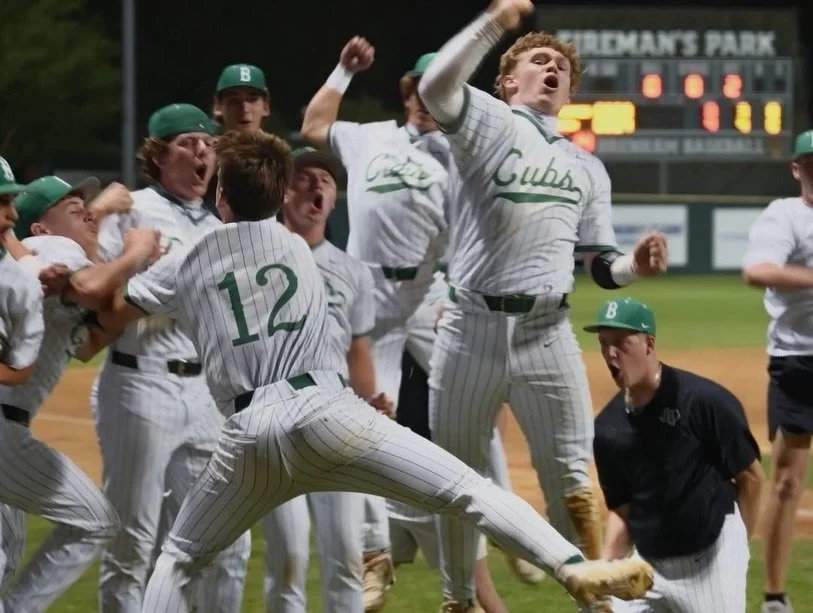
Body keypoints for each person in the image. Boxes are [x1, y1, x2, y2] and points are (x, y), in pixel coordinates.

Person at [93, 128, 655, 613]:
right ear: (282, 194)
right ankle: (572, 566)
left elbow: (111, 309)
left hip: (247, 435)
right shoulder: (301, 250)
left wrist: (126, 255)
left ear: (220, 195)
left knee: (180, 557)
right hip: (328, 414)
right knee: (467, 489)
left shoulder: (188, 259)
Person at [416, 1, 668, 610]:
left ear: (569, 92)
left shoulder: (587, 166)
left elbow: (601, 266)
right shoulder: (487, 122)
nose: (553, 69)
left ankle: (596, 603)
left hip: (547, 332)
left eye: (562, 67)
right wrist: (495, 22)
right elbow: (434, 87)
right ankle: (458, 601)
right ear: (507, 81)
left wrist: (635, 266)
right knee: (457, 480)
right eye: (539, 61)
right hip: (470, 329)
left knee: (573, 482)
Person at [299, 38, 451, 610]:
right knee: (362, 419)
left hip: (430, 290)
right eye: (421, 91)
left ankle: (503, 521)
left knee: (478, 391)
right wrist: (343, 69)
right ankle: (374, 552)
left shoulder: (465, 150)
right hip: (368, 292)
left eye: (441, 93)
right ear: (408, 94)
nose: (427, 101)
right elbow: (314, 126)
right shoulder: (372, 136)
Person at [91, 103, 250, 613]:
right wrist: (128, 255)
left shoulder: (223, 222)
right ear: (159, 156)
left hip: (207, 394)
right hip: (142, 383)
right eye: (187, 143)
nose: (202, 151)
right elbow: (96, 291)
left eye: (208, 144)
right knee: (133, 540)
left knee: (221, 540)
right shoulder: (134, 210)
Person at [0, 173, 166, 612]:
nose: (87, 215)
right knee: (93, 520)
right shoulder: (54, 246)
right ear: (40, 227)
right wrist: (136, 253)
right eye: (74, 210)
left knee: (7, 553)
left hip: (9, 425)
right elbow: (90, 288)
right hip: (4, 428)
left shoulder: (38, 257)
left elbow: (91, 340)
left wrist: (134, 275)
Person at [261, 146, 386, 613]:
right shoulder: (256, 257)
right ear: (282, 191)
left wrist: (370, 405)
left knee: (346, 559)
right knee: (287, 559)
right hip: (272, 419)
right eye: (304, 177)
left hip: (335, 418)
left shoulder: (352, 271)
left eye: (327, 181)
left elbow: (358, 350)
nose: (317, 186)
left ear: (335, 200)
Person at [585, 297, 764, 612]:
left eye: (621, 342)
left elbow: (751, 478)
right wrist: (604, 571)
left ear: (649, 344)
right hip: (649, 566)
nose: (611, 353)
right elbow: (623, 512)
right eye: (603, 343)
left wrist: (736, 552)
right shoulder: (607, 428)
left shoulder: (704, 402)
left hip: (711, 559)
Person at [741, 128, 813, 613]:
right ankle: (774, 595)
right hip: (799, 359)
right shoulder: (786, 215)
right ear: (797, 169)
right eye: (812, 164)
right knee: (787, 479)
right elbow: (758, 270)